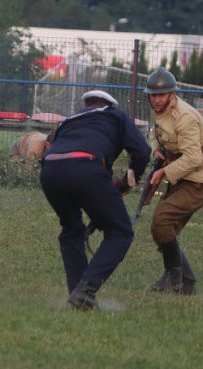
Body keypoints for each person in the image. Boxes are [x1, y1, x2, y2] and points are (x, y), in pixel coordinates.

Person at [38, 89, 152, 310]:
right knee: (121, 232)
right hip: (86, 168)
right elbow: (142, 152)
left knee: (71, 230)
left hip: (50, 170)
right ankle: (86, 290)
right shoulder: (116, 116)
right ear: (109, 105)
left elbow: (51, 146)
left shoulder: (69, 120)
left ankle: (79, 297)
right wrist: (130, 181)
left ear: (86, 105)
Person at [141, 67, 203, 295]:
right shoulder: (159, 111)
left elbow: (194, 158)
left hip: (202, 178)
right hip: (183, 173)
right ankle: (185, 282)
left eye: (161, 95)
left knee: (163, 219)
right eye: (153, 95)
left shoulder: (184, 116)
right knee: (161, 229)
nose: (156, 100)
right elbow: (158, 137)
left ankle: (173, 277)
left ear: (172, 94)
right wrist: (156, 152)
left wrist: (164, 173)